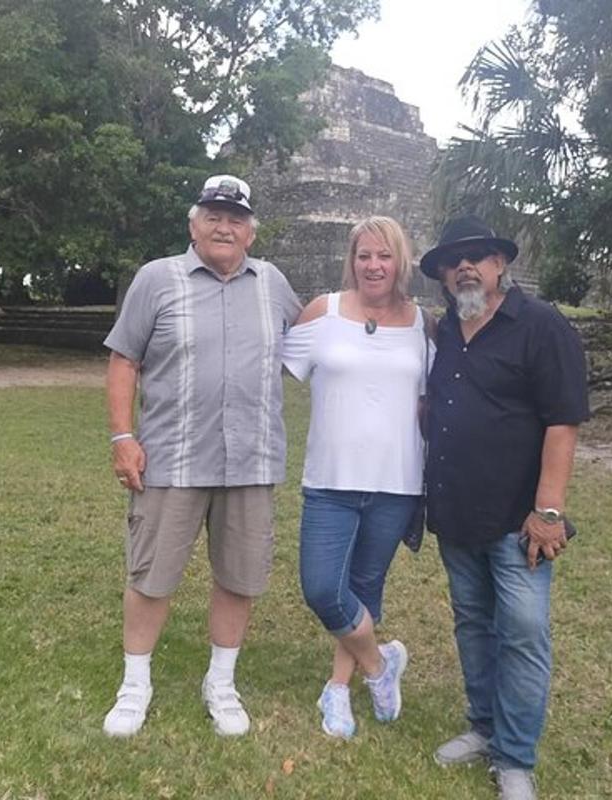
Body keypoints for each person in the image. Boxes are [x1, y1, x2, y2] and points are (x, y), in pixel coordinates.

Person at [101, 174, 302, 738]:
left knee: (240, 576)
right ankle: (135, 683)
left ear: (251, 233)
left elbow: (316, 339)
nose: (224, 226)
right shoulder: (156, 279)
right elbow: (123, 361)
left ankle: (222, 681)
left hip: (251, 461)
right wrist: (123, 438)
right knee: (152, 574)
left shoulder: (273, 285)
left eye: (236, 218)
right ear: (193, 225)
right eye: (213, 215)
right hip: (171, 458)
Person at [419, 216, 589, 800]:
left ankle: (515, 758)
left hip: (518, 522)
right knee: (473, 624)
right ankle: (483, 727)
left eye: (479, 256)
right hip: (457, 511)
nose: (466, 266)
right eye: (453, 259)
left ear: (500, 265)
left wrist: (548, 511)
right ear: (443, 275)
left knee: (522, 632)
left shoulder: (540, 327)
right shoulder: (446, 330)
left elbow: (562, 421)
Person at [281, 216, 429, 739]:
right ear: (352, 260)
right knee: (323, 589)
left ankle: (338, 690)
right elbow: (271, 370)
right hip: (330, 480)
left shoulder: (421, 324)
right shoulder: (323, 312)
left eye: (384, 256)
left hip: (396, 482)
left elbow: (438, 399)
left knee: (365, 589)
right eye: (364, 255)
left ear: (400, 262)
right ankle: (379, 665)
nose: (374, 265)